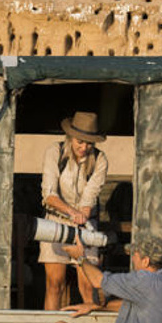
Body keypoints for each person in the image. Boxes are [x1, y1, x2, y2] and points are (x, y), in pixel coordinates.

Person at [30, 235, 162, 323]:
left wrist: (80, 258)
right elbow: (137, 306)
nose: (133, 258)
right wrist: (97, 306)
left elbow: (97, 281)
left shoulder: (145, 280)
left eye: (135, 255)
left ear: (146, 261)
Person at [40, 111, 109, 310]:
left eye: (89, 143)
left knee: (89, 286)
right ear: (70, 138)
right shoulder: (55, 151)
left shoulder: (99, 159)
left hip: (85, 223)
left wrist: (82, 215)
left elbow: (91, 195)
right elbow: (49, 194)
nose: (84, 147)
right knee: (55, 285)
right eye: (80, 142)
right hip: (55, 222)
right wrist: (72, 212)